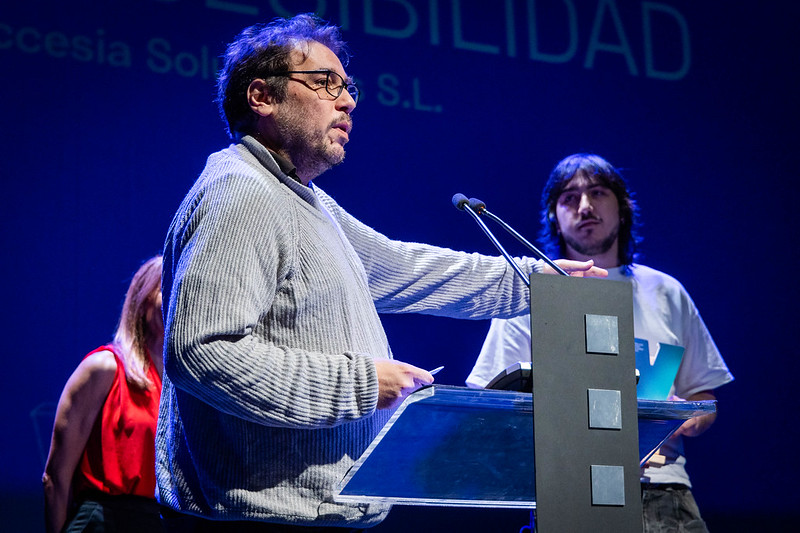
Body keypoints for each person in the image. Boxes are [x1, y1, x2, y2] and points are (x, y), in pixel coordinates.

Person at [156, 14, 605, 532]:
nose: (347, 101)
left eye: (348, 87)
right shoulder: (241, 193)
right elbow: (200, 353)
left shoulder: (302, 200)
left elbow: (405, 269)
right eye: (325, 83)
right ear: (262, 97)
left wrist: (537, 282)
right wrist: (364, 382)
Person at [466, 153, 734, 532]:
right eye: (570, 198)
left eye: (597, 192)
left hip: (664, 491)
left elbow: (703, 398)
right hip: (567, 486)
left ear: (622, 208)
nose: (585, 207)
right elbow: (488, 398)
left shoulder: (666, 291)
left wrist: (685, 417)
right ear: (553, 216)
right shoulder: (531, 293)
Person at [42, 256, 165, 533]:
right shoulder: (105, 368)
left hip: (158, 523)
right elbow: (55, 476)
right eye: (165, 288)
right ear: (142, 300)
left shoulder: (179, 386)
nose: (176, 300)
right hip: (103, 521)